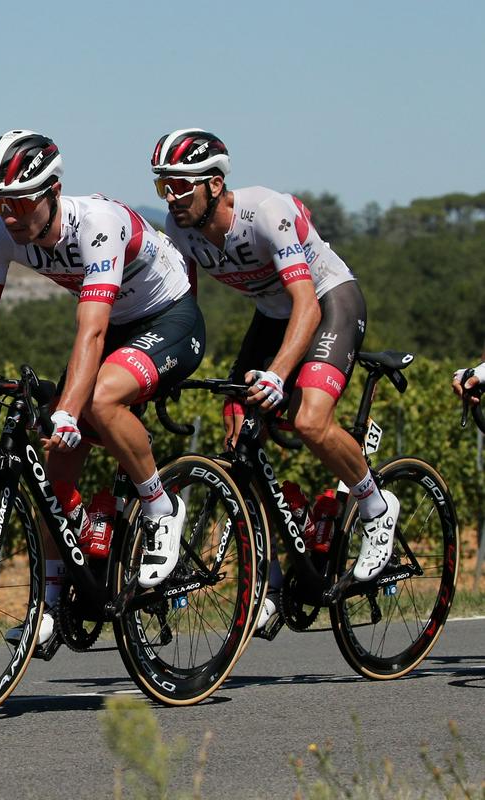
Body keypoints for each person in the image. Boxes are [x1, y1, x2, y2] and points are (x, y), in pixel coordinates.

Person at [0, 130, 205, 648]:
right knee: (51, 468)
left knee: (94, 401)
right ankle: (48, 606)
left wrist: (68, 411)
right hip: (112, 327)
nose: (9, 216)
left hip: (169, 316)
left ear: (52, 191)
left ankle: (161, 505)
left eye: (19, 202)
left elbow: (90, 329)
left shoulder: (98, 225)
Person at [149, 128, 399, 628]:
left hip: (328, 302)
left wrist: (280, 375)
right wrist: (168, 367)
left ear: (215, 185)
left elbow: (305, 305)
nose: (171, 198)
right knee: (239, 426)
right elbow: (182, 308)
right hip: (273, 314)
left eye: (181, 186)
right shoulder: (180, 232)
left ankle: (377, 506)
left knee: (309, 419)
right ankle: (271, 577)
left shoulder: (266, 212)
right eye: (163, 187)